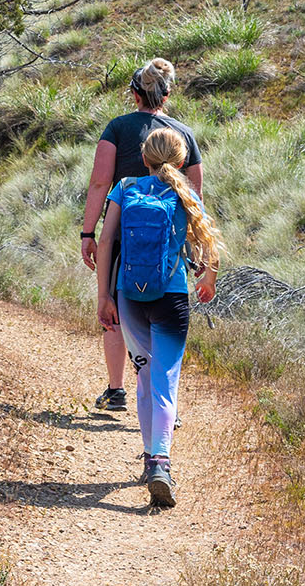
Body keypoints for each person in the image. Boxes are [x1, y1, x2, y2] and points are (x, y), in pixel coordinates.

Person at [96, 126, 222, 508]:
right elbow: (209, 244)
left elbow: (105, 243)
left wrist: (104, 296)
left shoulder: (124, 188)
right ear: (182, 161)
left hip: (130, 295)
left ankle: (151, 457)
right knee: (166, 378)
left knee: (145, 377)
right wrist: (209, 279)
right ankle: (161, 463)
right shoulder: (183, 194)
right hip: (171, 295)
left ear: (144, 158)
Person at [79, 57, 202, 410]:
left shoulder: (117, 128)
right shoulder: (184, 134)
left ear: (135, 95)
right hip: (169, 243)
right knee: (163, 316)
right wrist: (194, 248)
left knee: (117, 307)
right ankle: (162, 399)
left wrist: (89, 232)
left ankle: (116, 389)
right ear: (167, 94)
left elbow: (101, 182)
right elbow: (194, 197)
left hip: (122, 238)